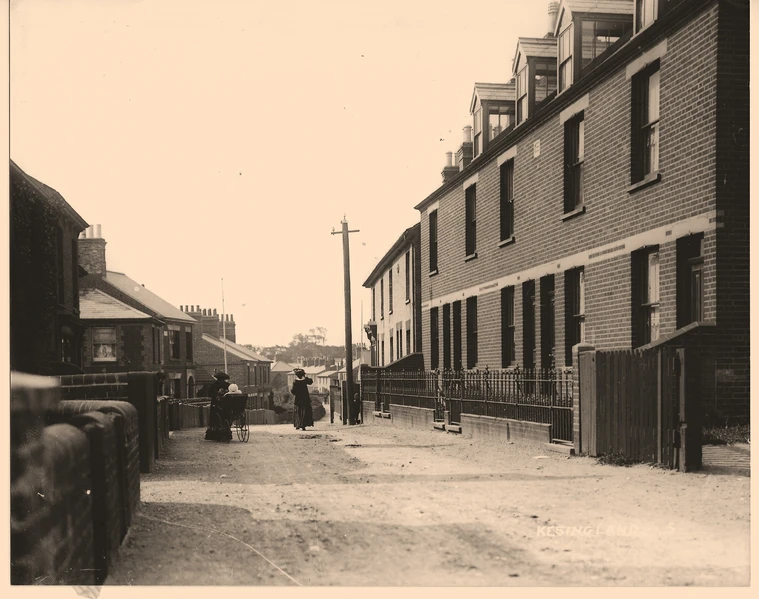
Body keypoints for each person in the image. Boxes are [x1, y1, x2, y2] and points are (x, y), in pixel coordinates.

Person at [205, 372, 232, 441]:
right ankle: (226, 431)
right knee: (225, 417)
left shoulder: (213, 385)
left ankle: (216, 434)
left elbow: (210, 394)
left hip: (216, 404)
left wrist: (217, 394)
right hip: (226, 405)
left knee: (214, 418)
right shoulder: (228, 385)